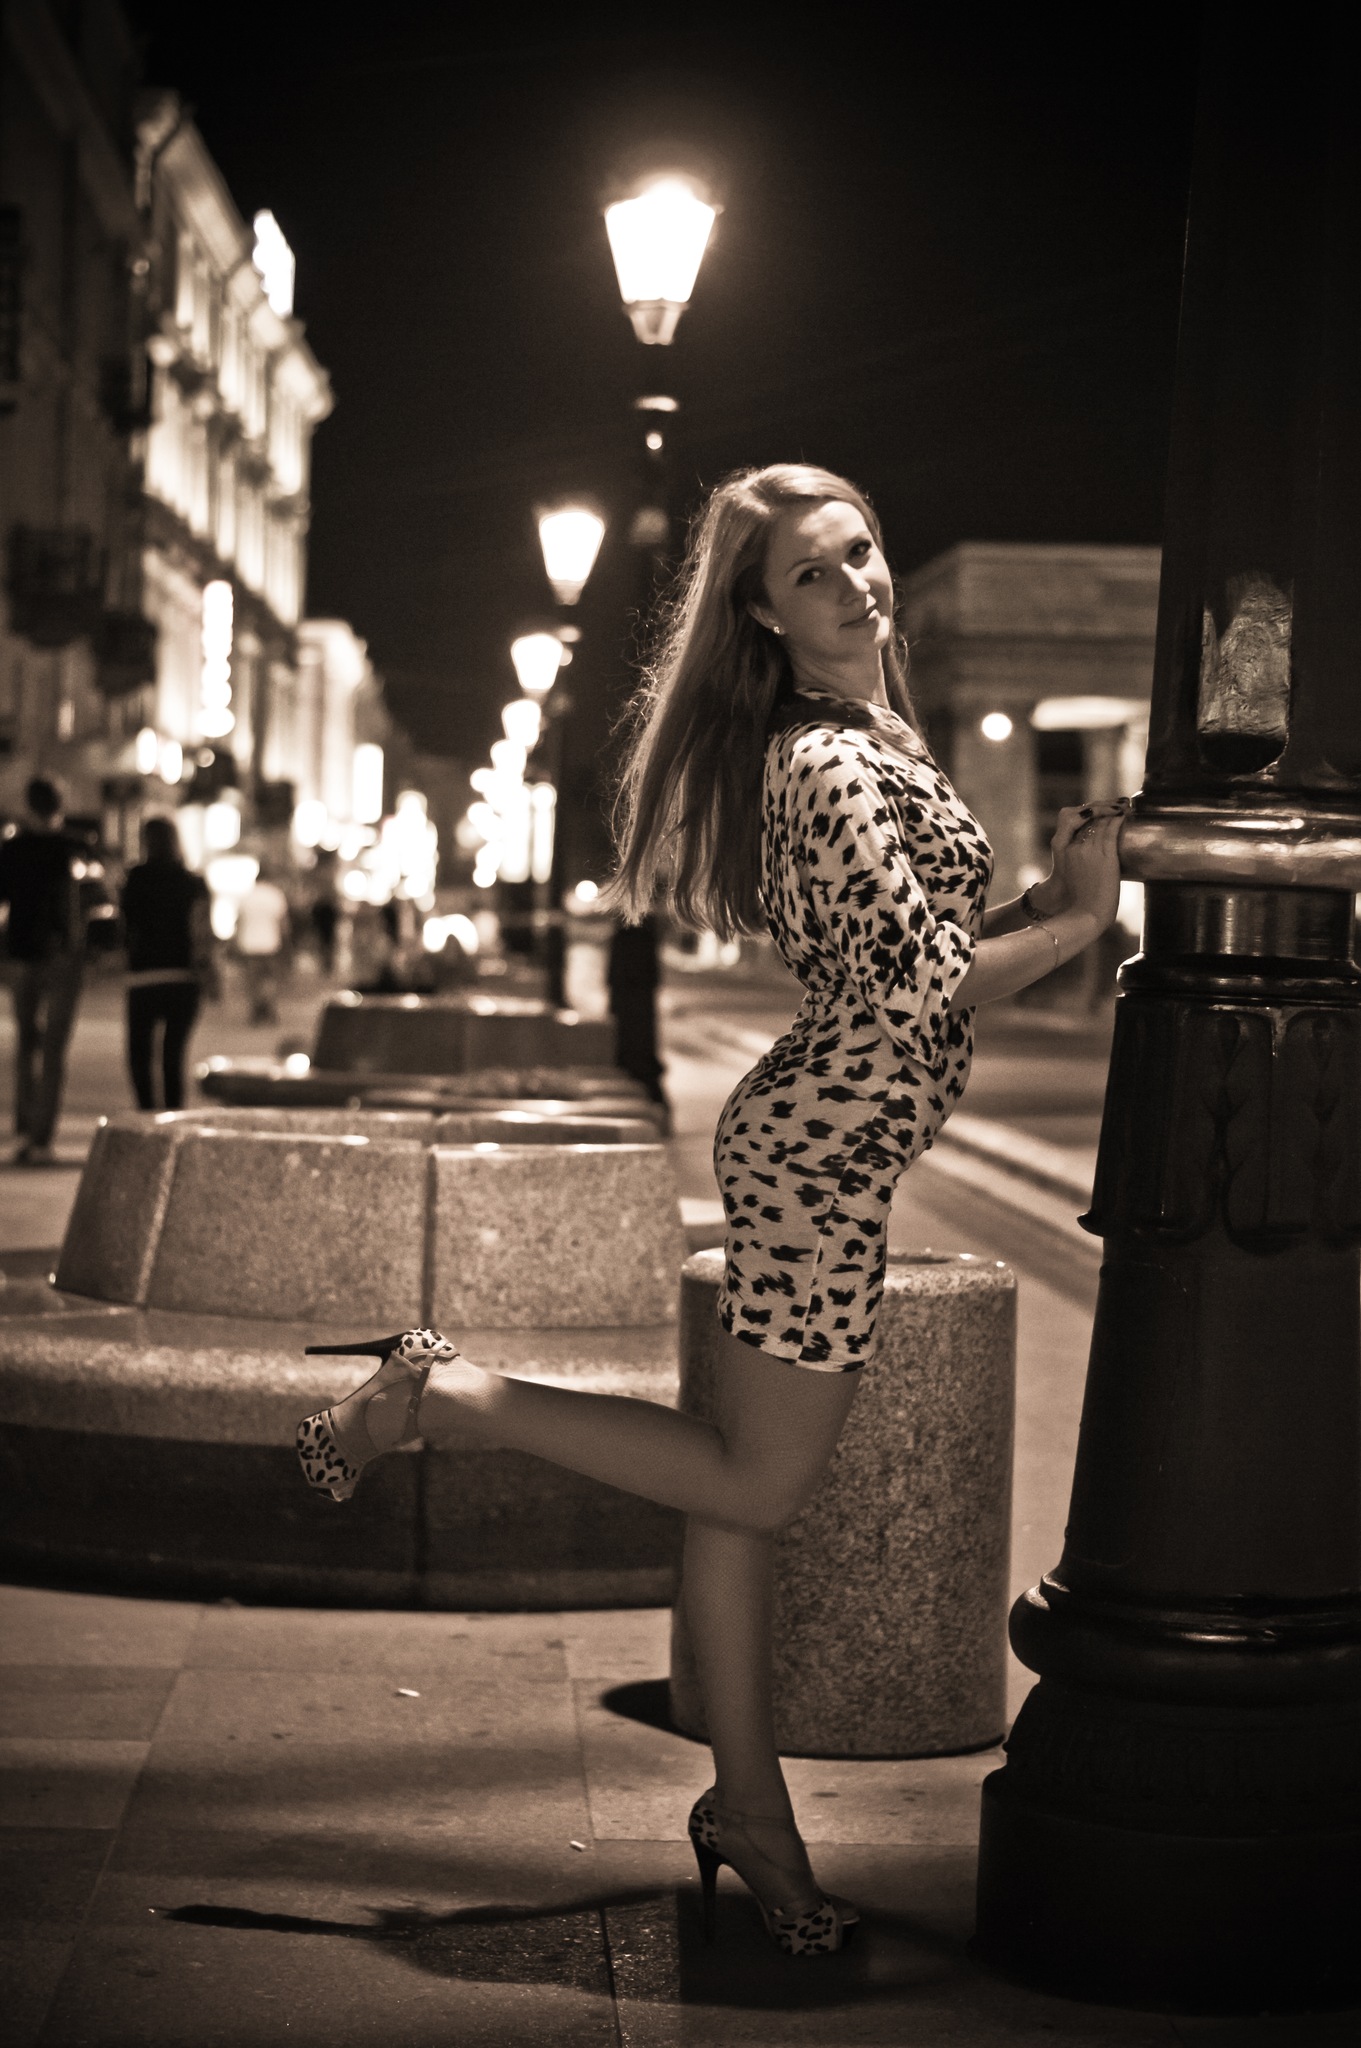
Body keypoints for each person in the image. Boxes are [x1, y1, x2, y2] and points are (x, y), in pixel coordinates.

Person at [294, 465, 1124, 1954]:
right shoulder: (827, 758)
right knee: (754, 1487)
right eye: (813, 573)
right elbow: (921, 986)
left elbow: (905, 946)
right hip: (819, 1164)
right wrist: (1073, 921)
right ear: (760, 612)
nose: (857, 585)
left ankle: (748, 1810)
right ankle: (443, 1390)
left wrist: (1038, 899)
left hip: (819, 1147)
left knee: (731, 1502)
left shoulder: (870, 731)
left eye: (861, 551)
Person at [0, 776, 85, 1166]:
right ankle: (40, 1133)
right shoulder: (73, 849)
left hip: (22, 953)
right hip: (64, 955)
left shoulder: (13, 849)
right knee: (53, 1048)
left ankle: (24, 1124)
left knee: (26, 1043)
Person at [120, 816, 212, 1111]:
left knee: (139, 1055)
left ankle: (147, 1113)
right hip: (182, 976)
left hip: (143, 976)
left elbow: (125, 928)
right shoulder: (193, 882)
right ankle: (172, 1115)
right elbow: (202, 932)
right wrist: (208, 973)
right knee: (173, 1055)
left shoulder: (135, 879)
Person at [235, 866, 291, 1024]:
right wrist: (287, 944)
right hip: (271, 944)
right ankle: (269, 1009)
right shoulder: (275, 895)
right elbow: (283, 923)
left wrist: (235, 942)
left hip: (249, 944)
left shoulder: (246, 896)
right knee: (270, 979)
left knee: (252, 980)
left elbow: (239, 922)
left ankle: (256, 1011)